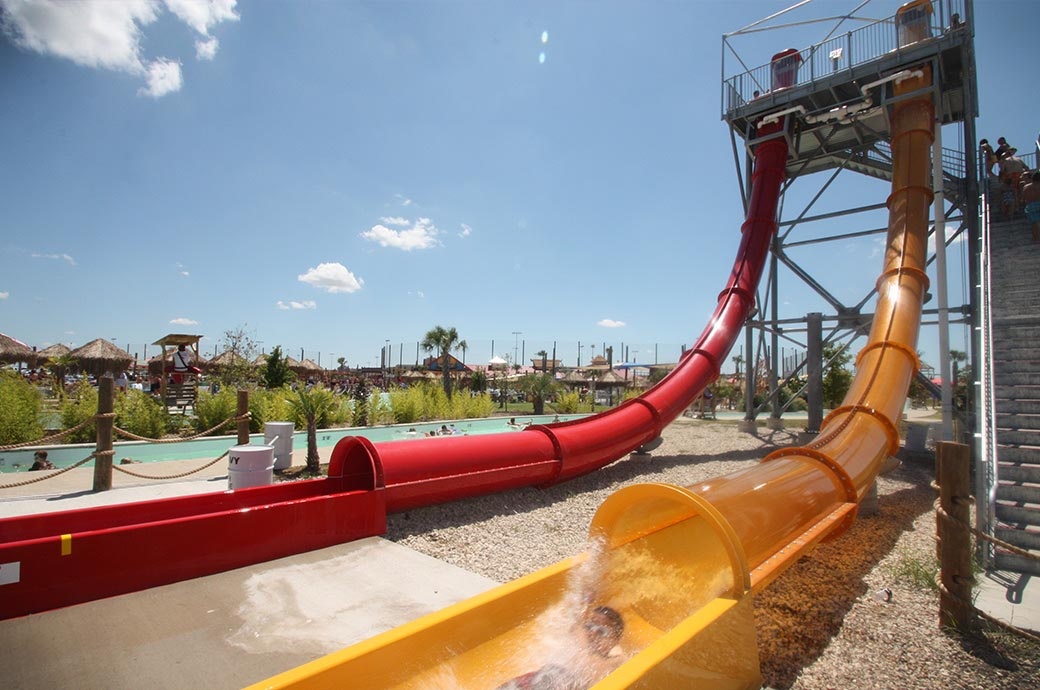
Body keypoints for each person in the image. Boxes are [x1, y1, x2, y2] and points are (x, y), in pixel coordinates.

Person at [495, 605, 625, 690]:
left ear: (615, 640)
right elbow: (577, 623)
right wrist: (587, 600)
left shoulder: (610, 662)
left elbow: (621, 661)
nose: (592, 634)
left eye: (601, 632)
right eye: (590, 627)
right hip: (540, 678)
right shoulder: (579, 640)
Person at [1022, 170, 1040, 242]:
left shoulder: (1026, 187)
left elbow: (1023, 197)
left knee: (1034, 224)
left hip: (1030, 205)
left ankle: (1036, 238)